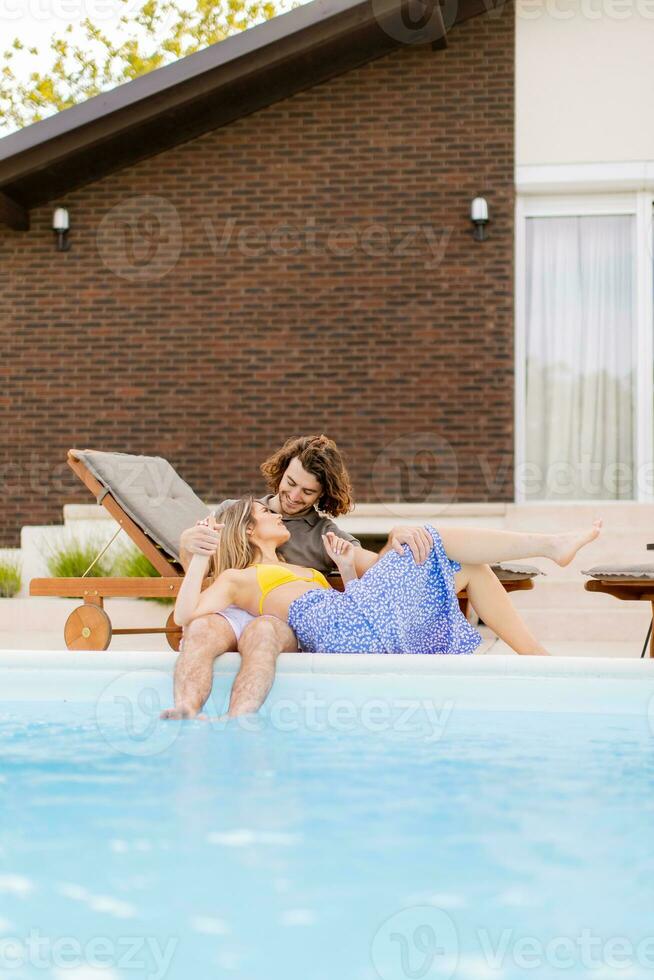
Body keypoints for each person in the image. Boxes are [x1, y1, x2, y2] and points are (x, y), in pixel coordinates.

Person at [172, 496, 603, 719]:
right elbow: (185, 616)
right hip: (350, 633)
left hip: (360, 623)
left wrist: (345, 567)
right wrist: (201, 560)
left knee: (471, 567)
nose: (277, 514)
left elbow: (349, 608)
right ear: (249, 532)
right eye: (266, 513)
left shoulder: (298, 569)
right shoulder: (239, 577)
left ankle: (539, 659)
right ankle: (549, 544)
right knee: (427, 536)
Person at [162, 434, 434, 719]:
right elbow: (201, 568)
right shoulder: (239, 511)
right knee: (201, 629)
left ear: (321, 494)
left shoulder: (323, 533)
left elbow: (376, 569)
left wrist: (391, 540)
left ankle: (238, 719)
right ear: (281, 473)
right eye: (290, 483)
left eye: (307, 491)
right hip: (231, 607)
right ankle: (186, 708)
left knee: (263, 630)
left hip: (282, 619)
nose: (293, 497)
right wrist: (189, 544)